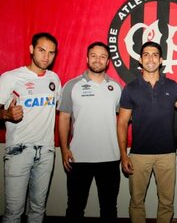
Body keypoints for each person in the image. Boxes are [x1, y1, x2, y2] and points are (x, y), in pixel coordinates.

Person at [117, 41, 177, 223]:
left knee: (166, 203)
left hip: (167, 154)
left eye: (155, 54)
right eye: (146, 54)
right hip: (139, 155)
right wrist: (124, 155)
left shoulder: (172, 86)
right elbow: (122, 123)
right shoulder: (130, 88)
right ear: (140, 60)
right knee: (136, 202)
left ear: (161, 59)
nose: (150, 58)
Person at [57, 42, 122, 223]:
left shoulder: (116, 88)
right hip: (79, 158)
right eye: (93, 55)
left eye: (102, 56)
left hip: (110, 157)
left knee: (109, 208)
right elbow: (63, 119)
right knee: (75, 207)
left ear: (108, 61)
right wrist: (64, 150)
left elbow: (124, 121)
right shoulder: (72, 85)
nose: (97, 59)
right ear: (87, 58)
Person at [0, 32, 61, 223]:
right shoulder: (11, 77)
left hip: (46, 151)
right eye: (42, 50)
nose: (46, 56)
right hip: (19, 150)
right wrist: (5, 114)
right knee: (13, 212)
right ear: (31, 49)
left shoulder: (54, 79)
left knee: (38, 210)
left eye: (51, 53)